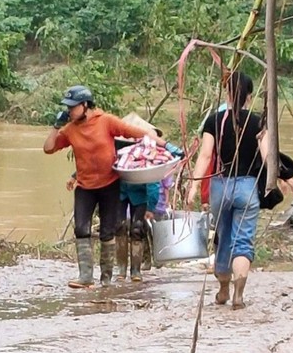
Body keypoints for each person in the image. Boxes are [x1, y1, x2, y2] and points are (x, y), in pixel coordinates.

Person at [44, 85, 183, 288]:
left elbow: (140, 134)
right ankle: (85, 277)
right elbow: (48, 148)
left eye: (73, 107)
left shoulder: (106, 121)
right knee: (81, 229)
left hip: (109, 185)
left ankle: (106, 279)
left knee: (108, 232)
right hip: (85, 186)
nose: (69, 111)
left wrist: (166, 145)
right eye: (68, 108)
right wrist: (56, 126)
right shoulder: (70, 129)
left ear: (85, 105)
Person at [187, 71, 265, 310]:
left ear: (228, 95)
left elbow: (206, 154)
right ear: (249, 97)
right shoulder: (259, 120)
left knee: (223, 238)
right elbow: (268, 157)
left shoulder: (214, 120)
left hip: (220, 185)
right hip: (248, 186)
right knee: (243, 242)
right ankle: (238, 295)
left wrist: (195, 184)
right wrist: (279, 181)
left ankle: (223, 290)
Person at [115, 180, 159, 281]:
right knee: (119, 227)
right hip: (119, 192)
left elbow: (153, 179)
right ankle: (121, 270)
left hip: (140, 194)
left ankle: (135, 270)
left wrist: (151, 207)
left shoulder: (148, 163)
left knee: (137, 230)